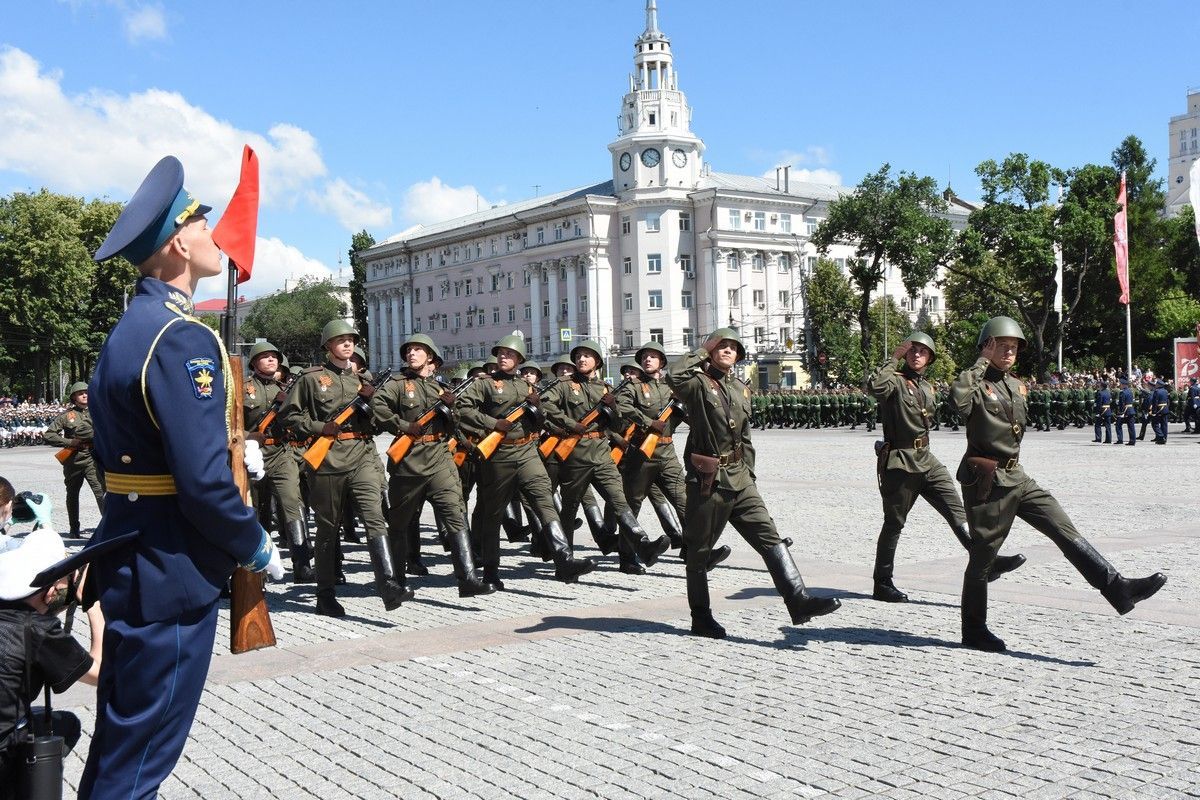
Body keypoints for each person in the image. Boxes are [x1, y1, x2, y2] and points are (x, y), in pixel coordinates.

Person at [81, 155, 284, 798]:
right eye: (199, 220)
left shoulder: (127, 334)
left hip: (131, 556)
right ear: (178, 241)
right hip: (172, 572)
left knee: (122, 747)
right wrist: (252, 542)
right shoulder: (181, 339)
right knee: (139, 763)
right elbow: (200, 484)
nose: (210, 231)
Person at [950, 316, 1167, 652]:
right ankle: (973, 630)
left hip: (1017, 476)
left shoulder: (1016, 385)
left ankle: (1117, 588)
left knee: (1063, 528)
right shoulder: (975, 383)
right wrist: (980, 361)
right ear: (986, 346)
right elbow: (958, 402)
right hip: (988, 481)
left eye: (1013, 347)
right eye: (1001, 345)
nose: (1008, 352)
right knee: (982, 558)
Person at [667, 328, 840, 639]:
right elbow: (674, 374)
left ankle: (798, 600)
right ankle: (701, 618)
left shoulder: (740, 388)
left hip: (740, 477)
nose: (727, 351)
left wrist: (750, 473)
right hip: (710, 479)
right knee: (698, 551)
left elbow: (745, 437)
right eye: (722, 345)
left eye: (733, 347)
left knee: (769, 536)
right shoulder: (696, 383)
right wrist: (703, 349)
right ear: (712, 349)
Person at [866, 332, 1025, 603]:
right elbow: (875, 387)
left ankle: (988, 562)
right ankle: (882, 582)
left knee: (956, 511)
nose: (916, 355)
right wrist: (892, 358)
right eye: (912, 350)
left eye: (922, 351)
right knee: (894, 523)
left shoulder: (927, 388)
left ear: (930, 357)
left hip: (927, 459)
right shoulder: (894, 382)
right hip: (901, 461)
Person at [280, 320, 407, 617]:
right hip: (328, 460)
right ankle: (325, 595)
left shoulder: (363, 379)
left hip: (362, 454)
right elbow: (289, 417)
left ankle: (388, 584)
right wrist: (319, 426)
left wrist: (372, 404)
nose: (347, 344)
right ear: (328, 346)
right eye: (340, 340)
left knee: (375, 517)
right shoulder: (312, 379)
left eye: (350, 339)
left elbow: (376, 423)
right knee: (328, 529)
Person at [454, 335, 594, 587]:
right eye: (500, 353)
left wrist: (538, 409)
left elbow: (541, 422)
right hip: (499, 456)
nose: (503, 357)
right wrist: (493, 423)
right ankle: (491, 571)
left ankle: (564, 558)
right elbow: (462, 409)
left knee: (545, 502)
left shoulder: (528, 387)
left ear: (519, 359)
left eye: (509, 354)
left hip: (528, 453)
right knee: (492, 514)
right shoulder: (484, 384)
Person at [371, 334, 494, 598]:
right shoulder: (397, 384)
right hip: (409, 462)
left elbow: (456, 425)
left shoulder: (440, 389)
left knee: (454, 512)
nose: (411, 353)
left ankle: (468, 578)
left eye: (418, 350)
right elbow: (377, 407)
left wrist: (453, 409)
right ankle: (397, 579)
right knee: (400, 521)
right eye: (409, 350)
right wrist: (404, 426)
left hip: (439, 457)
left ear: (431, 359)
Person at [0, 505, 104, 796]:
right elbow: (100, 673)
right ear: (48, 592)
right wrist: (93, 607)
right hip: (3, 751)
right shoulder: (35, 629)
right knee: (66, 725)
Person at [541, 340, 670, 573]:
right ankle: (565, 562)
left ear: (597, 362)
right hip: (576, 452)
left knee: (619, 499)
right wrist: (571, 424)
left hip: (602, 452)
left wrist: (613, 409)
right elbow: (544, 405)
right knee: (569, 507)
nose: (581, 359)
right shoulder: (564, 385)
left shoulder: (606, 389)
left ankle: (642, 545)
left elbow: (620, 424)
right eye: (579, 356)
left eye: (587, 356)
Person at [242, 341, 314, 582]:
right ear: (254, 362)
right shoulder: (244, 388)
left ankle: (302, 564)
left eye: (274, 356)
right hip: (251, 455)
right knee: (256, 511)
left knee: (292, 503)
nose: (271, 360)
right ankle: (256, 568)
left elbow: (302, 418)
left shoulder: (289, 388)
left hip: (282, 453)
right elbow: (228, 423)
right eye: (265, 357)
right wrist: (246, 436)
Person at [40, 383, 105, 537]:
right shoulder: (66, 416)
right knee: (73, 494)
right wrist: (69, 442)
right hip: (73, 460)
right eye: (80, 393)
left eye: (86, 392)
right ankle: (74, 529)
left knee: (100, 492)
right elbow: (49, 435)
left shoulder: (98, 412)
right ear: (74, 397)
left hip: (92, 457)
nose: (84, 395)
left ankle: (108, 524)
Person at [1115, 379, 1136, 446]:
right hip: (1131, 410)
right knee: (1131, 426)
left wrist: (1120, 412)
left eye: (1120, 384)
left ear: (1123, 385)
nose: (1119, 385)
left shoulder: (1122, 392)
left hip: (1125, 411)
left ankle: (1120, 439)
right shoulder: (1130, 391)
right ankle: (1132, 440)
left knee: (1118, 425)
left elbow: (1122, 403)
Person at [1149, 379, 1170, 444]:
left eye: (1156, 384)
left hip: (1159, 409)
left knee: (1154, 424)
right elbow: (1168, 401)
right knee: (1164, 424)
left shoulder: (1157, 391)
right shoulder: (1165, 391)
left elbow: (1155, 402)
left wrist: (1154, 411)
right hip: (1165, 409)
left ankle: (1161, 436)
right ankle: (1164, 439)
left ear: (1158, 385)